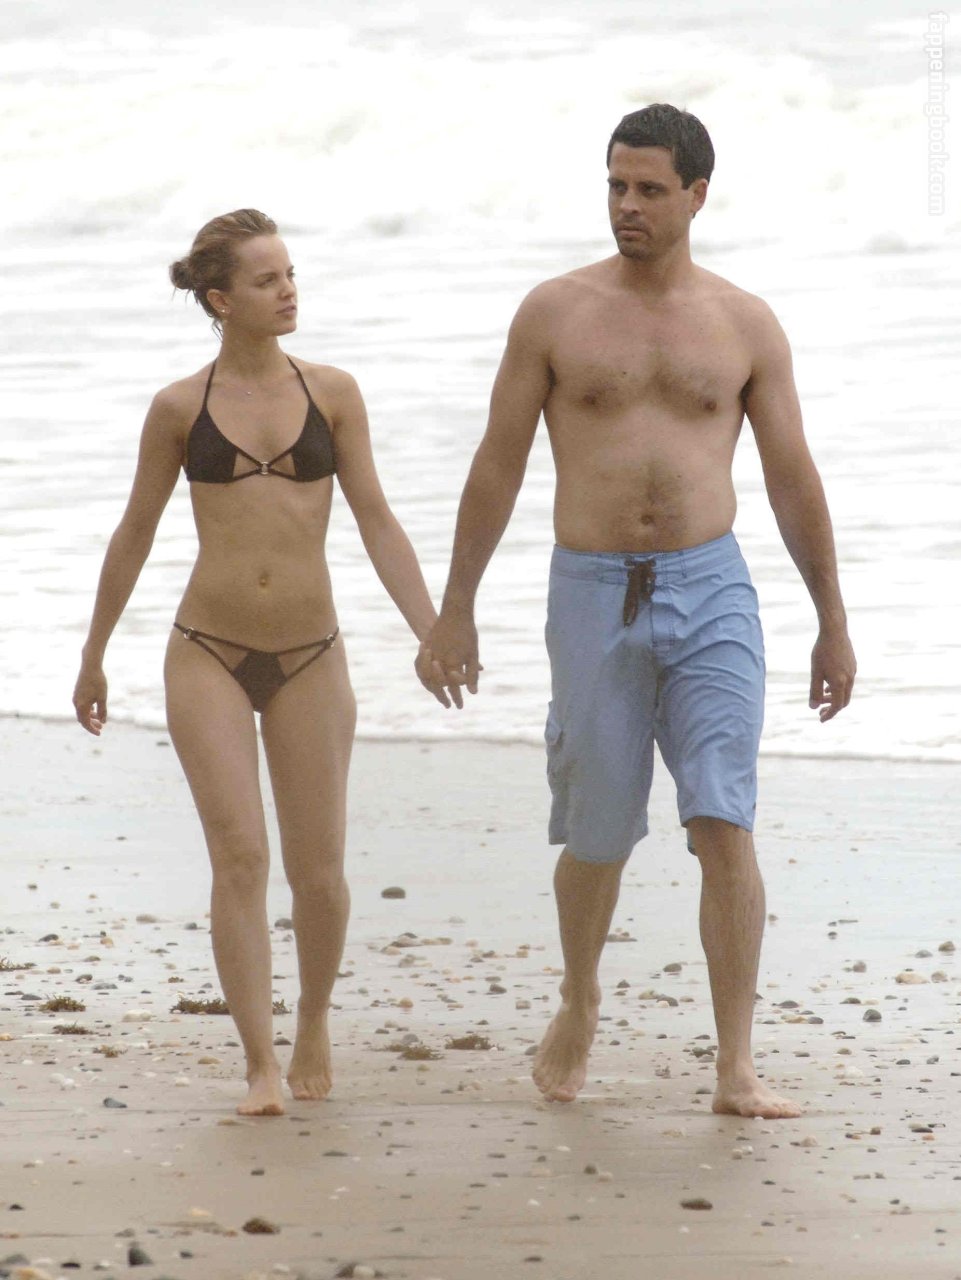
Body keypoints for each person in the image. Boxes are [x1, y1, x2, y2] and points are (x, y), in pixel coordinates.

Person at [417, 105, 856, 1119]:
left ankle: (735, 1063)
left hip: (712, 585)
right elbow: (497, 462)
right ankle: (579, 995)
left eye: (649, 189)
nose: (627, 205)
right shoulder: (554, 313)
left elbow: (791, 476)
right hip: (590, 588)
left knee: (722, 814)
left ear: (697, 194)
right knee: (599, 829)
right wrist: (455, 608)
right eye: (616, 185)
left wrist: (831, 619)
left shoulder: (744, 324)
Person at [74, 209, 449, 1116]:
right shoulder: (179, 408)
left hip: (311, 654)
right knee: (240, 856)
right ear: (220, 299)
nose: (288, 291)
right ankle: (258, 1063)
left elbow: (376, 519)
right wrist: (93, 654)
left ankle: (312, 1021)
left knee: (318, 871)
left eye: (290, 274)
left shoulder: (333, 394)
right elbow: (134, 531)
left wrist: (432, 630)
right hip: (206, 649)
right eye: (266, 279)